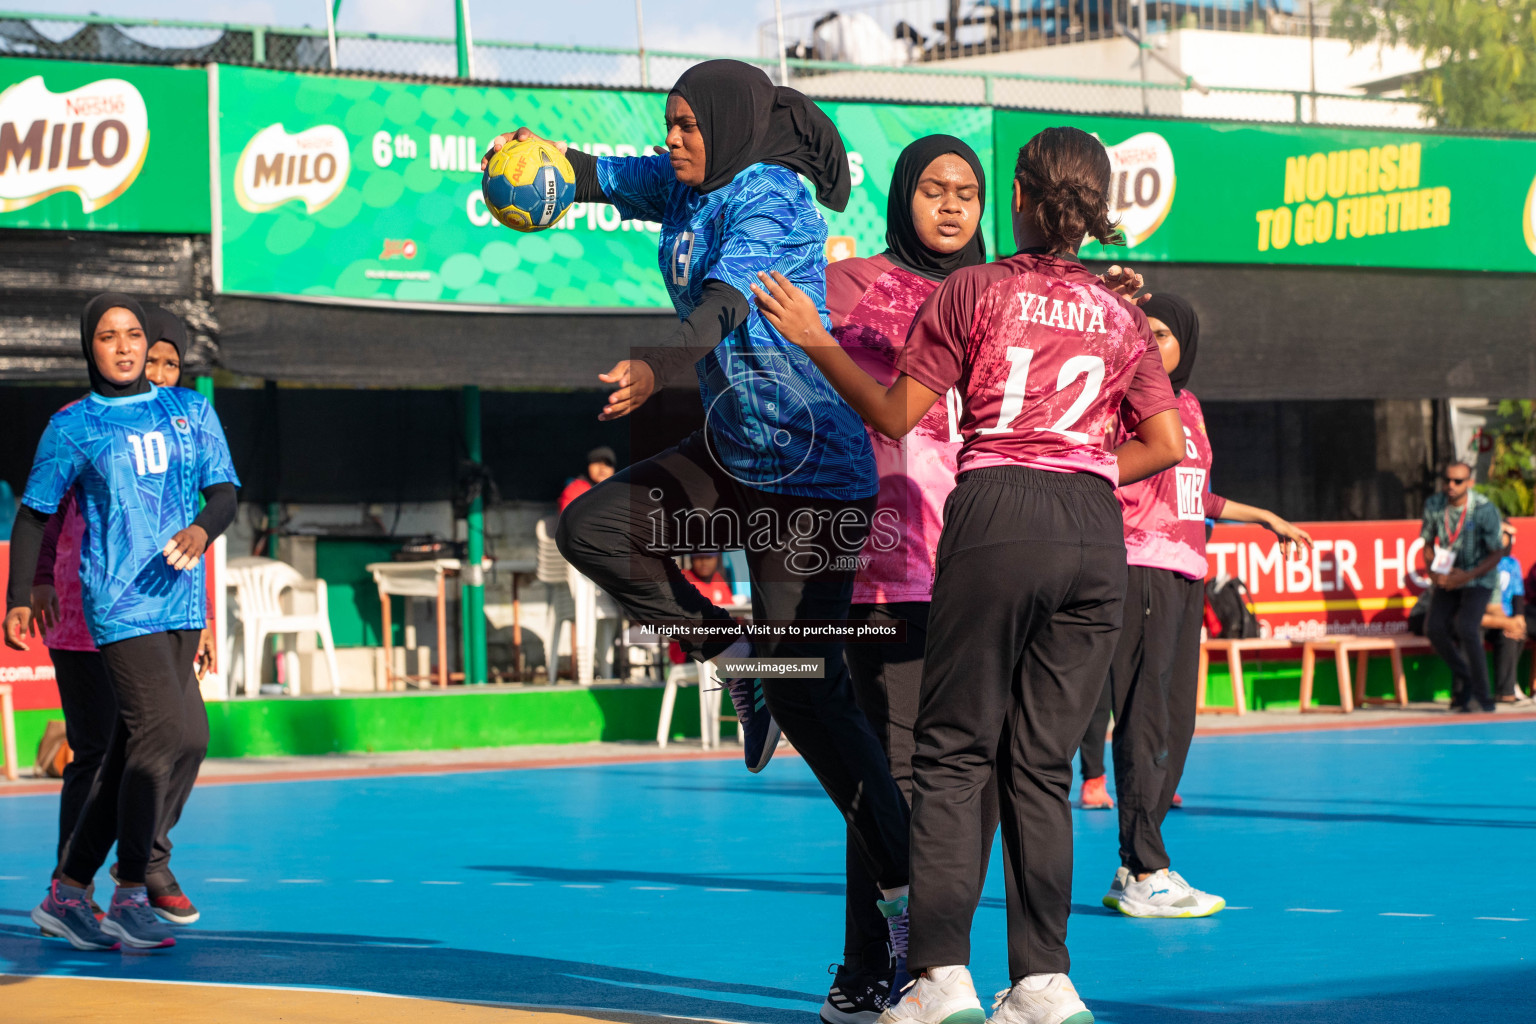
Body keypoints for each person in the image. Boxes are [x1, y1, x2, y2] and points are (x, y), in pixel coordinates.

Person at [484, 57, 914, 968]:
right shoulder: (685, 178)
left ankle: (906, 883)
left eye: (687, 125)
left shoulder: (770, 196)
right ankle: (736, 657)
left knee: (817, 697)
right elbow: (600, 173)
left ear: (727, 124)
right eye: (669, 123)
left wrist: (655, 367)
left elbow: (723, 306)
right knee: (593, 529)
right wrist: (537, 157)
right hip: (733, 451)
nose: (672, 139)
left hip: (811, 476)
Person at [754, 126, 1185, 1024]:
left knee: (947, 759)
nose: (957, 205)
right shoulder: (1116, 311)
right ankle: (1043, 983)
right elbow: (1167, 444)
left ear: (1018, 197)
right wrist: (1086, 467)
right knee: (1038, 765)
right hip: (1094, 529)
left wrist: (814, 340)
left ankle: (938, 974)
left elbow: (893, 406)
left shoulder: (976, 292)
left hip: (994, 515)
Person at [5, 293, 239, 952]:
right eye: (109, 336)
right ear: (91, 348)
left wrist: (199, 530)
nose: (125, 345)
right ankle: (133, 885)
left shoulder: (192, 412)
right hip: (120, 602)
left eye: (133, 333)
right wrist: (20, 594)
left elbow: (225, 494)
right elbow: (33, 513)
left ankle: (69, 891)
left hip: (182, 601)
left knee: (173, 743)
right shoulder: (74, 426)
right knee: (168, 734)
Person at [1087, 292, 1311, 920]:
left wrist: (1261, 514)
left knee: (1175, 726)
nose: (1154, 345)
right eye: (1145, 333)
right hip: (1140, 566)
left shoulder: (1188, 406)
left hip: (1186, 572)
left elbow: (1196, 496)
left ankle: (1136, 862)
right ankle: (1145, 866)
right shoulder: (1121, 401)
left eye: (1164, 335)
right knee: (1144, 719)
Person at [1420, 461, 1504, 713]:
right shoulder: (1434, 504)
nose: (1451, 486)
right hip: (1448, 576)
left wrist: (1466, 577)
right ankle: (1466, 677)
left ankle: (1483, 697)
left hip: (1478, 578)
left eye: (1458, 481)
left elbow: (1497, 552)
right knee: (1434, 628)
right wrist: (1433, 573)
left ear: (1470, 483)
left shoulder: (1484, 509)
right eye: (1447, 480)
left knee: (1467, 627)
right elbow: (1427, 543)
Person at [1482, 549, 1528, 704]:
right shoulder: (1476, 562)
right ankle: (1470, 692)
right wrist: (1509, 623)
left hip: (1499, 618)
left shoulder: (1510, 564)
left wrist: (1515, 621)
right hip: (1474, 620)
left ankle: (1507, 690)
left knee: (1511, 634)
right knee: (1469, 634)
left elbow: (1514, 595)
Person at [557, 446, 617, 512]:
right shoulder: (575, 489)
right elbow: (569, 519)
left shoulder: (619, 490)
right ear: (588, 466)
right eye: (597, 462)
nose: (602, 468)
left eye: (608, 464)